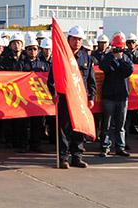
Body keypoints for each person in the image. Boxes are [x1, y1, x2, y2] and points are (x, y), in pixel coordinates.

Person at [52, 26, 94, 169]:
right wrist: (53, 93)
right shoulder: (61, 56)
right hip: (65, 98)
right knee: (64, 129)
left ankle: (77, 157)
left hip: (81, 99)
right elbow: (52, 79)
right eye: (74, 39)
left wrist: (91, 97)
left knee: (79, 127)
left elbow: (90, 80)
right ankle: (63, 158)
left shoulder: (86, 57)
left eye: (79, 39)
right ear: (68, 39)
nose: (77, 42)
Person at [99, 33, 134, 158]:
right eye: (116, 47)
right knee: (107, 124)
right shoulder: (107, 57)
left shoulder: (126, 58)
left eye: (120, 48)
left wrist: (120, 60)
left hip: (122, 96)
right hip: (109, 95)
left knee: (120, 124)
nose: (118, 50)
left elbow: (129, 70)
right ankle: (105, 146)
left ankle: (120, 147)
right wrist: (114, 59)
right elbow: (105, 67)